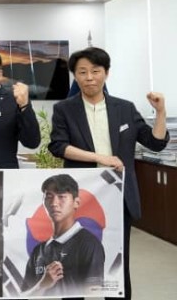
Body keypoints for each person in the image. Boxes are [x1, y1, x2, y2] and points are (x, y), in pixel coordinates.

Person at [48, 47, 169, 300]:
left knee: (117, 262)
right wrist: (99, 158)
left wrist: (160, 112)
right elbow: (58, 146)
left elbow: (155, 143)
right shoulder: (64, 109)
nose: (89, 77)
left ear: (106, 73)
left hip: (118, 196)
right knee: (73, 263)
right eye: (82, 72)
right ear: (75, 76)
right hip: (79, 197)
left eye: (95, 71)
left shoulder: (124, 108)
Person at [22, 174, 105, 297]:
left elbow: (94, 293)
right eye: (49, 196)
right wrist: (42, 285)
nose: (54, 203)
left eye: (61, 197)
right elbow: (22, 295)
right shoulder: (38, 251)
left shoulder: (90, 244)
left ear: (76, 202)